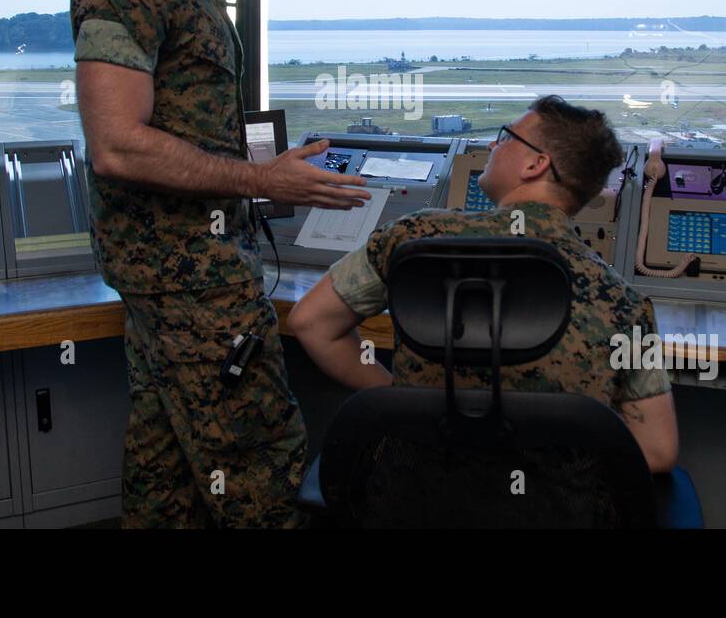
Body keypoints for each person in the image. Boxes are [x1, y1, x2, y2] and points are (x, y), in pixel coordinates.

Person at [70, 0, 371, 528]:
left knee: (166, 473)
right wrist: (266, 181)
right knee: (260, 461)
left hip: (187, 267)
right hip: (184, 277)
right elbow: (115, 142)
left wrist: (268, 169)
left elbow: (190, 123)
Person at [289, 95, 679, 473]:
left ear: (536, 164)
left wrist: (401, 402)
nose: (493, 144)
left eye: (507, 136)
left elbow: (310, 322)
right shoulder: (625, 301)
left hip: (415, 497)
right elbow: (658, 450)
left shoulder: (413, 238)